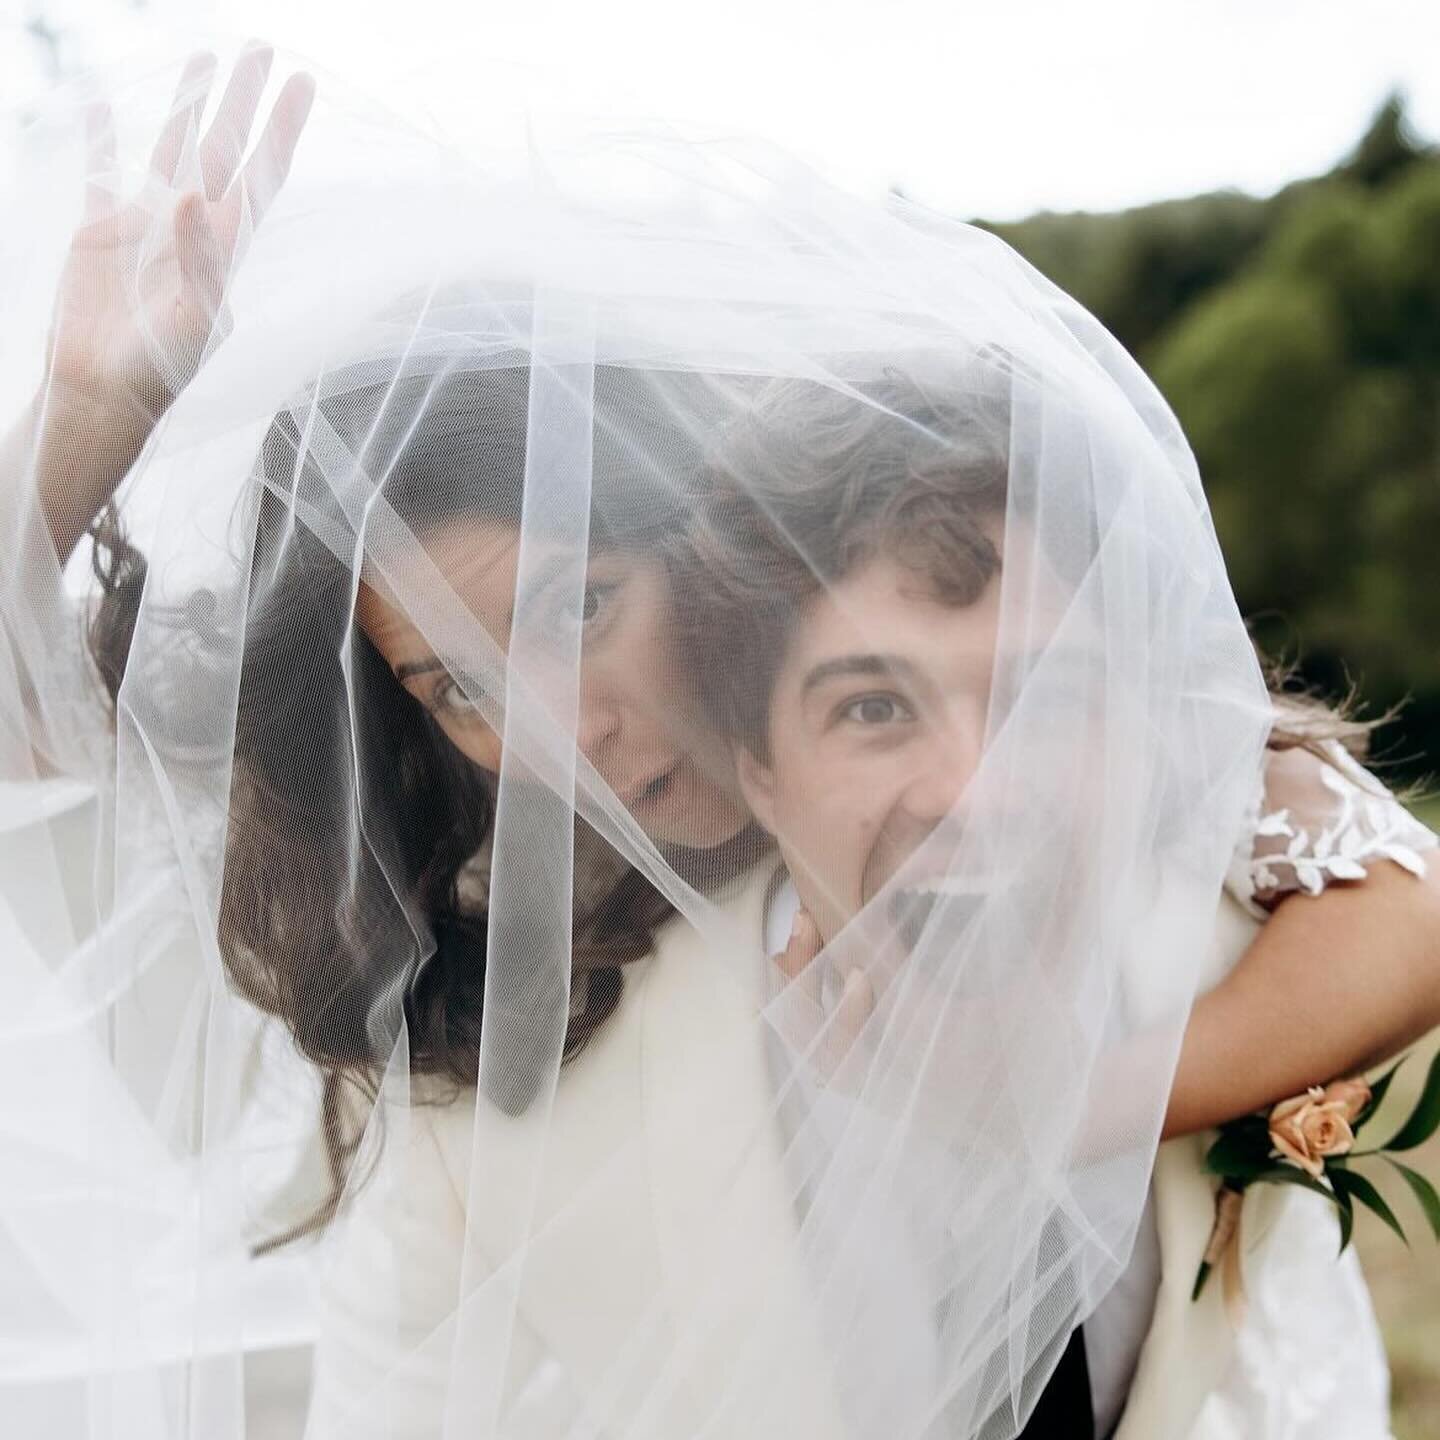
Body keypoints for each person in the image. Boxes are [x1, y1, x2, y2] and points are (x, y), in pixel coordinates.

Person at [4, 46, 1439, 1440]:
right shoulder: (496, 1081)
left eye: (582, 606)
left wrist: (1074, 1098)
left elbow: (1397, 886)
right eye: (460, 688)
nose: (563, 735)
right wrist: (89, 421)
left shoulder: (1025, 744)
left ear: (704, 537)